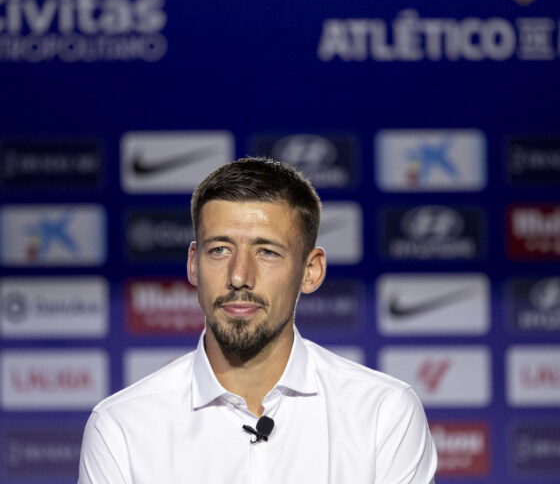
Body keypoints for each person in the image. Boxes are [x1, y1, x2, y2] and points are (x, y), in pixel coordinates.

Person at [79, 157, 437, 484]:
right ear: (193, 264)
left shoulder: (383, 414)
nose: (239, 276)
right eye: (219, 250)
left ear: (310, 271)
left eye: (266, 252)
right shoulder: (121, 427)